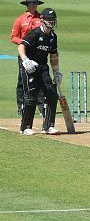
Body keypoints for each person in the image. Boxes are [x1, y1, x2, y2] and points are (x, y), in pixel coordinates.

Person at [18, 8, 62, 136]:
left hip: (43, 67)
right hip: (29, 67)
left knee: (52, 95)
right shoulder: (35, 33)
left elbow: (53, 56)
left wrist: (57, 72)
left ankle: (48, 126)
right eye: (49, 20)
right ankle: (25, 127)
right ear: (42, 20)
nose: (51, 22)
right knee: (31, 96)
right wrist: (25, 60)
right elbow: (21, 46)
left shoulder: (53, 37)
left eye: (53, 20)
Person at [11, 0, 44, 116]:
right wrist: (25, 43)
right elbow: (13, 37)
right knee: (22, 80)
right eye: (31, 3)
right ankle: (21, 105)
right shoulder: (20, 19)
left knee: (40, 79)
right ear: (27, 4)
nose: (33, 5)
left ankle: (41, 106)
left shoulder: (41, 18)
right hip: (24, 52)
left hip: (39, 53)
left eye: (35, 3)